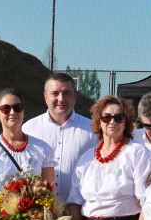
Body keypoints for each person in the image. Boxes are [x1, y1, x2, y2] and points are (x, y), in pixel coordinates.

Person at [23, 73, 96, 201]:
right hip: (38, 213)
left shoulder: (93, 130)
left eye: (67, 93)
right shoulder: (29, 129)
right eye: (55, 93)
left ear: (75, 96)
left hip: (80, 210)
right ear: (46, 97)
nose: (61, 99)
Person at [0, 89, 55, 201]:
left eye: (17, 108)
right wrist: (9, 212)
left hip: (34, 215)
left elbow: (48, 193)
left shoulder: (42, 148)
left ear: (23, 111)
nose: (12, 112)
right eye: (5, 109)